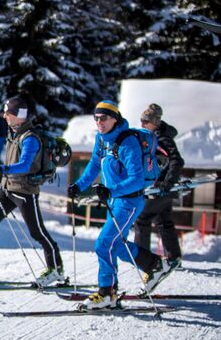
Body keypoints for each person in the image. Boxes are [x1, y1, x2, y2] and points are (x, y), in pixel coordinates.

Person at [67, 101, 176, 309]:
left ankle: (107, 292)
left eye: (104, 118)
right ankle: (154, 264)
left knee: (103, 244)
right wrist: (78, 186)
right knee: (116, 245)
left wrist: (111, 190)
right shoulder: (101, 139)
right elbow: (94, 165)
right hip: (114, 201)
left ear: (115, 119)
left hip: (129, 201)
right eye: (96, 118)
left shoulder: (127, 143)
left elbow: (136, 179)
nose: (100, 122)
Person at [0, 96, 65, 287]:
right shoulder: (13, 133)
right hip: (7, 189)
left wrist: (0, 170)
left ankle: (56, 270)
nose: (4, 116)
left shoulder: (30, 138)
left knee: (37, 232)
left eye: (7, 113)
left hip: (25, 191)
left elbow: (24, 165)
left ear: (17, 115)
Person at [134, 104, 185, 267]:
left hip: (161, 187)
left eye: (146, 121)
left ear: (155, 122)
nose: (142, 124)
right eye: (141, 120)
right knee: (164, 221)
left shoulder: (162, 138)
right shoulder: (154, 136)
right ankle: (174, 257)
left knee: (142, 219)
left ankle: (143, 259)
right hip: (161, 188)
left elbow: (177, 161)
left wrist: (167, 182)